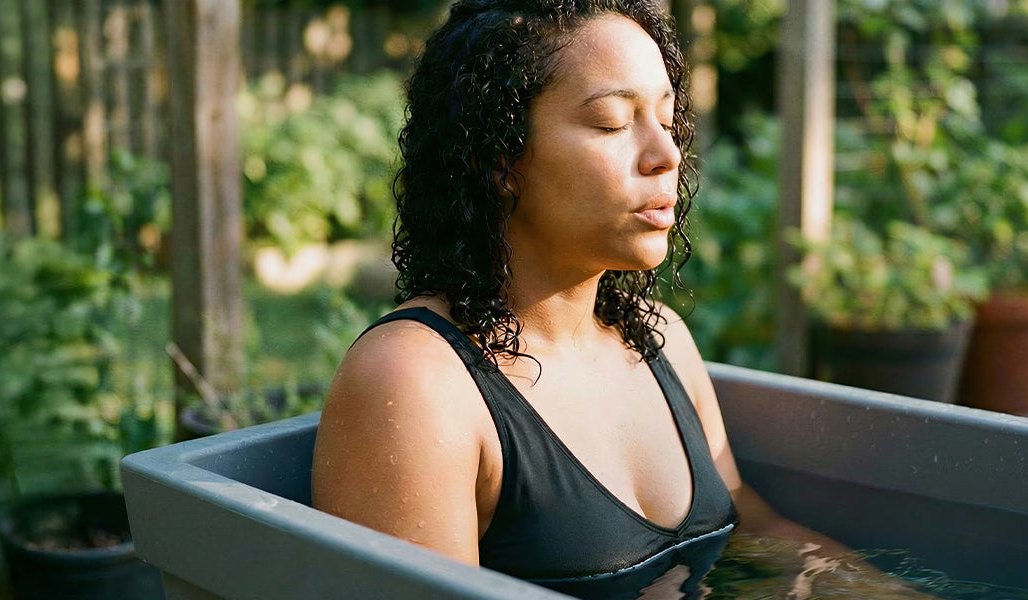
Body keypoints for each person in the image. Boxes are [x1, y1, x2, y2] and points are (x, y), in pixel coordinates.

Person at [311, 1, 927, 597]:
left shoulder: (656, 338)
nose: (666, 155)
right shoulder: (417, 380)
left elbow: (752, 528)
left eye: (667, 119)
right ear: (497, 158)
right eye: (611, 122)